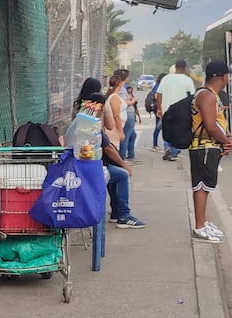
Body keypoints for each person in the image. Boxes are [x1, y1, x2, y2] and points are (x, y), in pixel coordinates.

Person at [84, 90, 145, 228]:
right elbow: (108, 148)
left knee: (113, 172)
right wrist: (124, 165)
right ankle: (123, 215)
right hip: (90, 169)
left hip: (88, 165)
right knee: (122, 175)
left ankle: (117, 212)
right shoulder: (92, 124)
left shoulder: (83, 120)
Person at [189, 60, 232, 243]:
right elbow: (210, 126)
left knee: (206, 185)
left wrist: (227, 137)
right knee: (201, 186)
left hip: (208, 146)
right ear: (222, 76)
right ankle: (199, 227)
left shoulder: (211, 95)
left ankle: (203, 222)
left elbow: (217, 123)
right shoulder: (207, 96)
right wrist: (225, 141)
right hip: (204, 146)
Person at [156, 59, 196, 160]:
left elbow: (159, 94)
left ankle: (167, 148)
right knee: (177, 130)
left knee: (167, 128)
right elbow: (192, 96)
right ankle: (173, 151)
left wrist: (159, 108)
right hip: (181, 111)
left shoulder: (165, 79)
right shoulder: (187, 80)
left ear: (175, 67)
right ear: (184, 68)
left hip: (166, 109)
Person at [148, 71, 167, 151]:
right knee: (160, 126)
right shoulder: (159, 86)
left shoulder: (157, 85)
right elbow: (156, 95)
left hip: (158, 107)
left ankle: (156, 144)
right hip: (159, 107)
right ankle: (156, 145)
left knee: (159, 126)